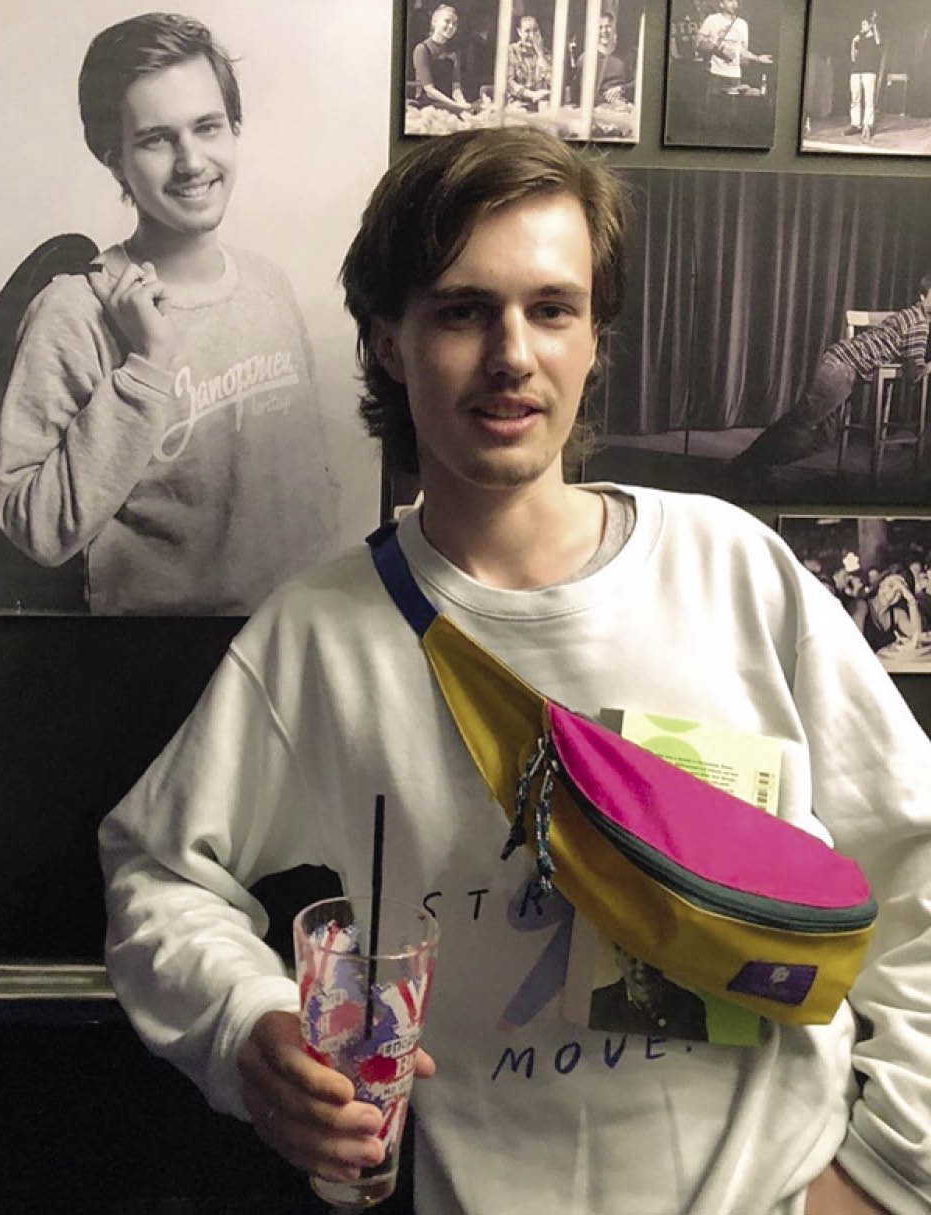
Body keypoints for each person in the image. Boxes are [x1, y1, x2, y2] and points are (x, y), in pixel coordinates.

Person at [99, 127, 931, 1214]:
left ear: (593, 338)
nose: (513, 355)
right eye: (461, 311)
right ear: (390, 343)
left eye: (552, 309)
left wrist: (885, 1173)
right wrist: (246, 1022)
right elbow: (158, 875)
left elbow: (919, 864)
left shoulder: (732, 569)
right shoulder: (320, 638)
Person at [0, 13, 339, 615]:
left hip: (291, 631)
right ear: (113, 158)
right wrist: (146, 368)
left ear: (234, 128)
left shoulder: (269, 286)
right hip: (156, 656)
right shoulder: (74, 311)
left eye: (207, 127)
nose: (191, 161)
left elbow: (308, 490)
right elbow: (36, 527)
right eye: (156, 138)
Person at [733, 279, 931, 475]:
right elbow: (914, 372)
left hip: (840, 367)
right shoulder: (920, 322)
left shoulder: (905, 314)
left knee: (823, 437)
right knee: (800, 422)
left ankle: (758, 463)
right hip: (841, 369)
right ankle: (745, 463)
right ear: (923, 297)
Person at [695, 0, 772, 98]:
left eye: (736, 1)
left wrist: (758, 58)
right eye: (730, 1)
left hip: (734, 75)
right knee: (715, 104)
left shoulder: (742, 24)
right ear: (721, 4)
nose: (734, 4)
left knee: (732, 104)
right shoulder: (712, 20)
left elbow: (742, 51)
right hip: (714, 73)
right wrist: (720, 51)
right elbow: (698, 43)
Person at [411, 5, 473, 116]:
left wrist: (462, 102)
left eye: (455, 24)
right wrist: (456, 106)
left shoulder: (454, 51)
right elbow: (429, 90)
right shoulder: (422, 49)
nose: (451, 26)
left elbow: (456, 86)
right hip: (428, 104)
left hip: (449, 103)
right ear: (434, 22)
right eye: (447, 21)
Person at [847, 14, 882, 142]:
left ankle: (868, 125)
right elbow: (853, 58)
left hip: (869, 72)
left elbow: (878, 41)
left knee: (869, 99)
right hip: (856, 71)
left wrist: (874, 25)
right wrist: (853, 43)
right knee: (855, 98)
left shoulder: (874, 37)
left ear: (870, 25)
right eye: (861, 24)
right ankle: (856, 124)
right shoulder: (859, 38)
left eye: (865, 24)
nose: (862, 26)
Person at [507, 14, 552, 107]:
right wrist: (532, 95)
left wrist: (541, 55)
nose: (532, 35)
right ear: (519, 32)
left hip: (542, 103)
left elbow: (553, 82)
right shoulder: (512, 50)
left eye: (535, 30)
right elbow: (509, 83)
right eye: (527, 31)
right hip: (517, 102)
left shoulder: (546, 53)